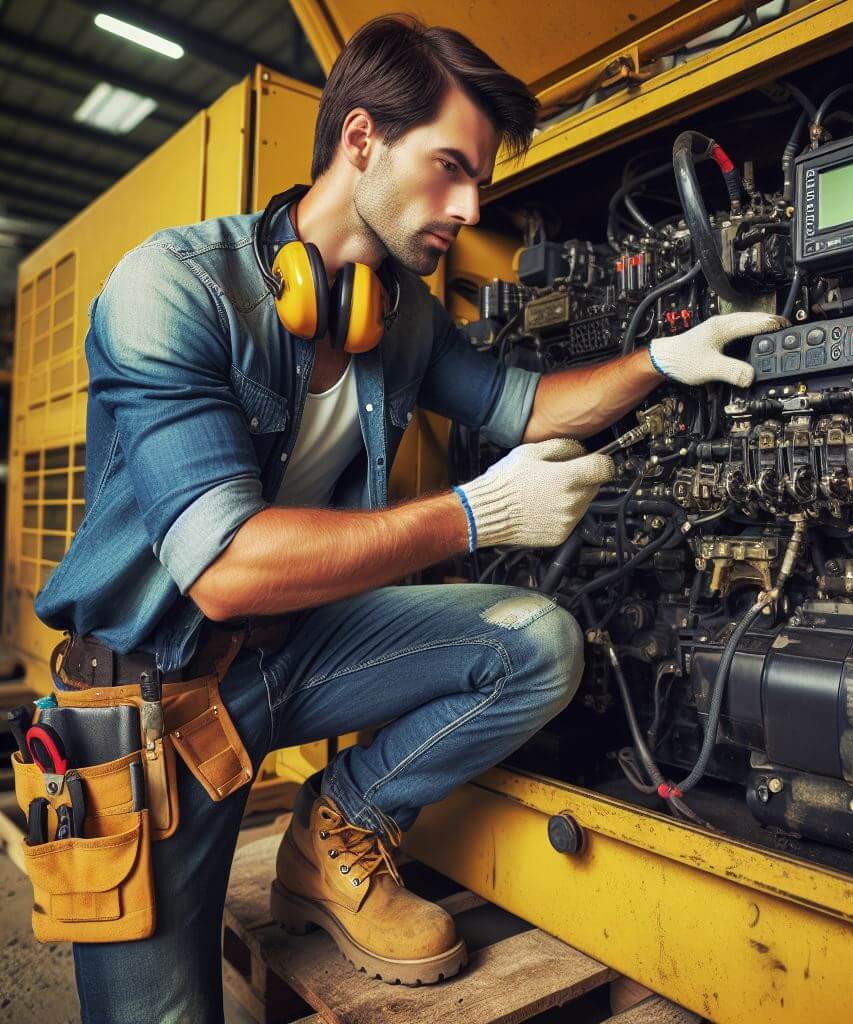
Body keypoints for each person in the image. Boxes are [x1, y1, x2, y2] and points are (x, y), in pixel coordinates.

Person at [34, 14, 781, 1023]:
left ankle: (336, 827)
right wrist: (479, 512)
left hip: (282, 659)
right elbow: (225, 567)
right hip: (149, 709)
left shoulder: (395, 314)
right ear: (358, 142)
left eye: (477, 180)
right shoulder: (170, 289)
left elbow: (522, 403)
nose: (470, 207)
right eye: (448, 169)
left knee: (535, 642)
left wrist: (660, 361)